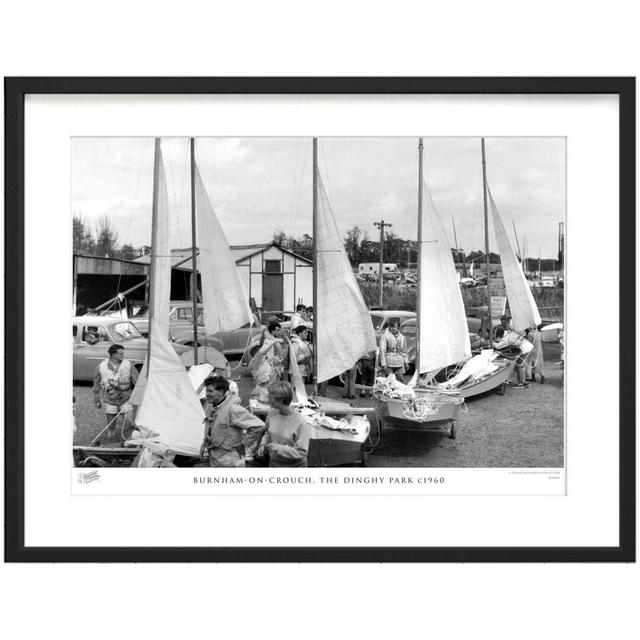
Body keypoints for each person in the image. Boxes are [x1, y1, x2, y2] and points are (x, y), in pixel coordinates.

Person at [200, 376, 265, 467]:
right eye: (206, 391)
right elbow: (210, 428)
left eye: (210, 391)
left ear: (221, 392)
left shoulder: (233, 410)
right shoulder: (211, 407)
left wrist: (243, 444)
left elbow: (259, 426)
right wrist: (204, 444)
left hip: (229, 460)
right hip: (214, 458)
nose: (207, 394)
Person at [257, 381, 310, 467]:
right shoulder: (271, 414)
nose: (268, 400)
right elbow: (268, 433)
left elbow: (302, 452)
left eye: (271, 397)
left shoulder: (300, 422)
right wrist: (263, 444)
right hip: (274, 464)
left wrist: (279, 449)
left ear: (281, 400)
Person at [93, 344, 139, 444]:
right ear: (113, 355)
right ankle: (111, 444)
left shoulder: (128, 365)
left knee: (129, 423)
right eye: (120, 353)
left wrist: (142, 397)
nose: (123, 355)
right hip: (110, 399)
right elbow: (96, 385)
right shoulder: (101, 367)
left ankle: (127, 442)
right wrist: (97, 400)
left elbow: (138, 382)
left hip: (126, 398)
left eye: (123, 353)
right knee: (111, 426)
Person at [249, 320, 288, 402]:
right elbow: (264, 353)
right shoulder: (268, 342)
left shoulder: (272, 341)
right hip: (266, 380)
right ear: (272, 331)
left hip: (271, 373)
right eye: (277, 330)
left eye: (279, 330)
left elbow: (275, 357)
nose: (279, 332)